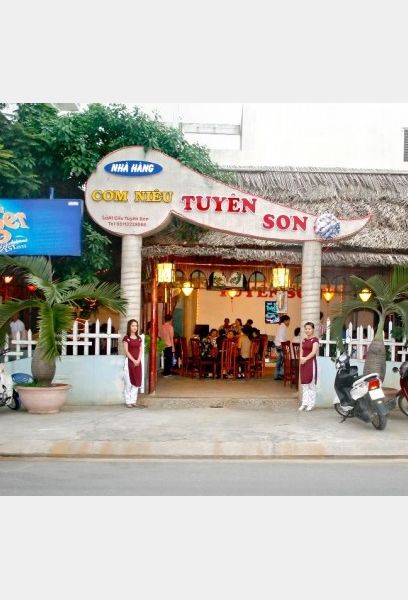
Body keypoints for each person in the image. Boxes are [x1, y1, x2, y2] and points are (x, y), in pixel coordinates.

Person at [122, 319, 145, 408]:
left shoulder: (139, 338)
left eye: (136, 326)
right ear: (129, 327)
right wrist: (133, 360)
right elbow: (126, 351)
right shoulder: (126, 338)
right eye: (133, 325)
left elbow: (141, 350)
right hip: (129, 362)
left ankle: (133, 401)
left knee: (136, 381)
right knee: (128, 382)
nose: (135, 327)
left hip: (138, 362)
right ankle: (128, 401)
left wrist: (138, 360)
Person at [298, 321, 319, 411]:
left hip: (311, 363)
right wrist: (301, 358)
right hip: (303, 363)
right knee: (304, 384)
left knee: (311, 384)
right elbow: (301, 350)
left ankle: (311, 404)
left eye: (309, 329)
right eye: (306, 329)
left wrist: (305, 358)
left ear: (313, 329)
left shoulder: (315, 340)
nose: (307, 330)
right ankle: (304, 403)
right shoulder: (304, 340)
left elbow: (314, 352)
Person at [274, 314, 290, 380]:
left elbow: (282, 337)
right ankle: (280, 374)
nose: (289, 322)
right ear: (285, 320)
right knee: (283, 361)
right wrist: (284, 345)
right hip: (280, 345)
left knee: (279, 361)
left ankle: (277, 375)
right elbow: (281, 337)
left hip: (278, 344)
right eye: (288, 321)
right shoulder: (283, 326)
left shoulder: (281, 326)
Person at [159, 313, 175, 377]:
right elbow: (171, 338)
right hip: (169, 344)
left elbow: (159, 336)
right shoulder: (170, 327)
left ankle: (165, 372)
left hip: (163, 345)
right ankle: (167, 373)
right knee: (168, 359)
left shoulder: (161, 327)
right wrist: (173, 348)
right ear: (170, 320)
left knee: (165, 359)